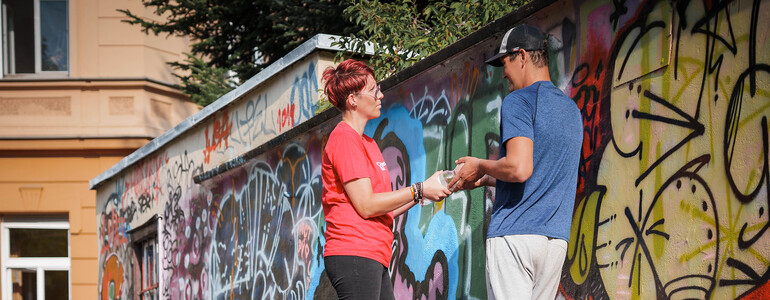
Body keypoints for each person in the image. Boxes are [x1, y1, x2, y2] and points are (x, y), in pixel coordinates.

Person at [447, 24, 583, 300]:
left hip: (515, 237)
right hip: (554, 241)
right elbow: (540, 173)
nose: (503, 74)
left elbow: (520, 168)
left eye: (504, 63)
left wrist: (481, 164)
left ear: (522, 56)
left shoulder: (518, 101)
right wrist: (485, 178)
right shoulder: (571, 109)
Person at [320, 59, 452, 299]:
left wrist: (426, 191)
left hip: (372, 253)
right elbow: (367, 205)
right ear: (353, 100)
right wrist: (418, 188)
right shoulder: (344, 138)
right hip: (354, 252)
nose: (380, 94)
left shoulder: (368, 143)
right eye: (373, 90)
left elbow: (383, 209)